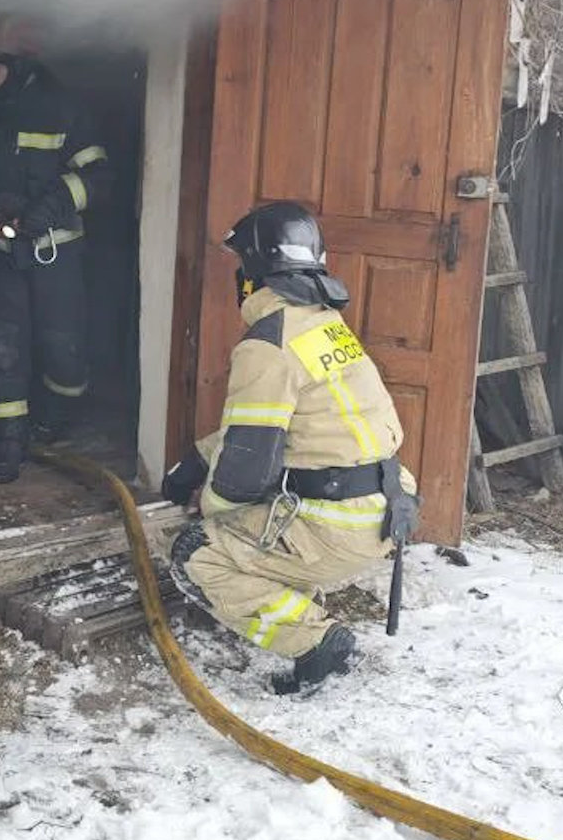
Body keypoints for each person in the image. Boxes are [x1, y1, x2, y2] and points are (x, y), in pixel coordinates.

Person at [161, 201, 421, 693]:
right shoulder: (323, 325)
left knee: (198, 551)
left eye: (241, 267)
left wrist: (211, 511)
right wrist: (197, 459)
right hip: (388, 507)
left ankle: (314, 641)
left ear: (255, 272)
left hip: (336, 526)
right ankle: (296, 596)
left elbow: (245, 471)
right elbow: (290, 426)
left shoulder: (268, 344)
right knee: (254, 521)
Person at [0, 14, 111, 483]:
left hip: (57, 255)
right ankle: (6, 449)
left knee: (62, 348)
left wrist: (47, 209)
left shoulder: (63, 109)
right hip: (1, 254)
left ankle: (55, 421)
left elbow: (99, 178)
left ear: (23, 64)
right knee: (1, 350)